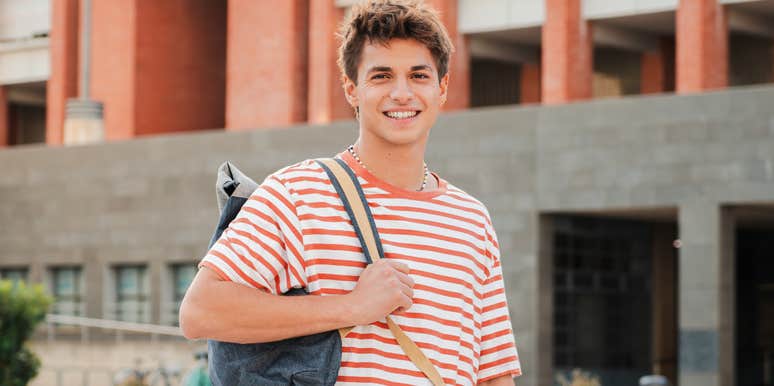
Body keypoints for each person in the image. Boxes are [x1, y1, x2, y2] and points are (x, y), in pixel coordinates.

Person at [179, 0, 521, 384]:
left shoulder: (471, 219)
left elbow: (493, 373)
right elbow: (201, 311)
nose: (402, 93)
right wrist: (352, 307)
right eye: (381, 76)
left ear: (442, 88)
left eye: (419, 76)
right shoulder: (298, 194)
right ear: (351, 89)